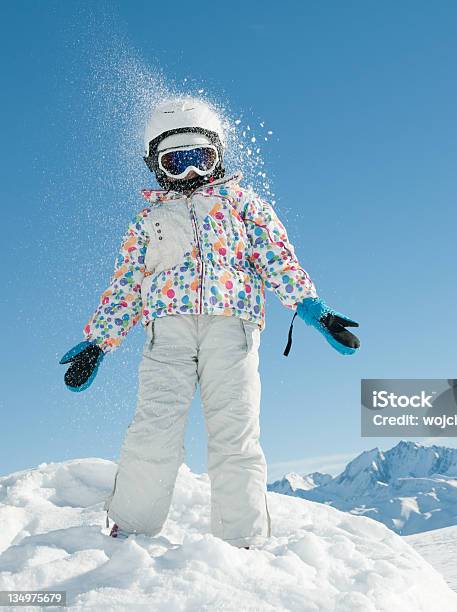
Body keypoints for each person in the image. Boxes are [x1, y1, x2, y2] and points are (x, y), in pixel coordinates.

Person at [60, 98, 360, 547]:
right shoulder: (148, 219)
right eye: (175, 163)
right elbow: (125, 284)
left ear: (218, 155)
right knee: (153, 429)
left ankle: (243, 539)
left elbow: (275, 257)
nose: (191, 174)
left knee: (235, 435)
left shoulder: (242, 203)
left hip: (232, 327)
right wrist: (99, 342)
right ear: (155, 166)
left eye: (200, 159)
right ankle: (132, 528)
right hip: (168, 334)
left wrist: (311, 307)